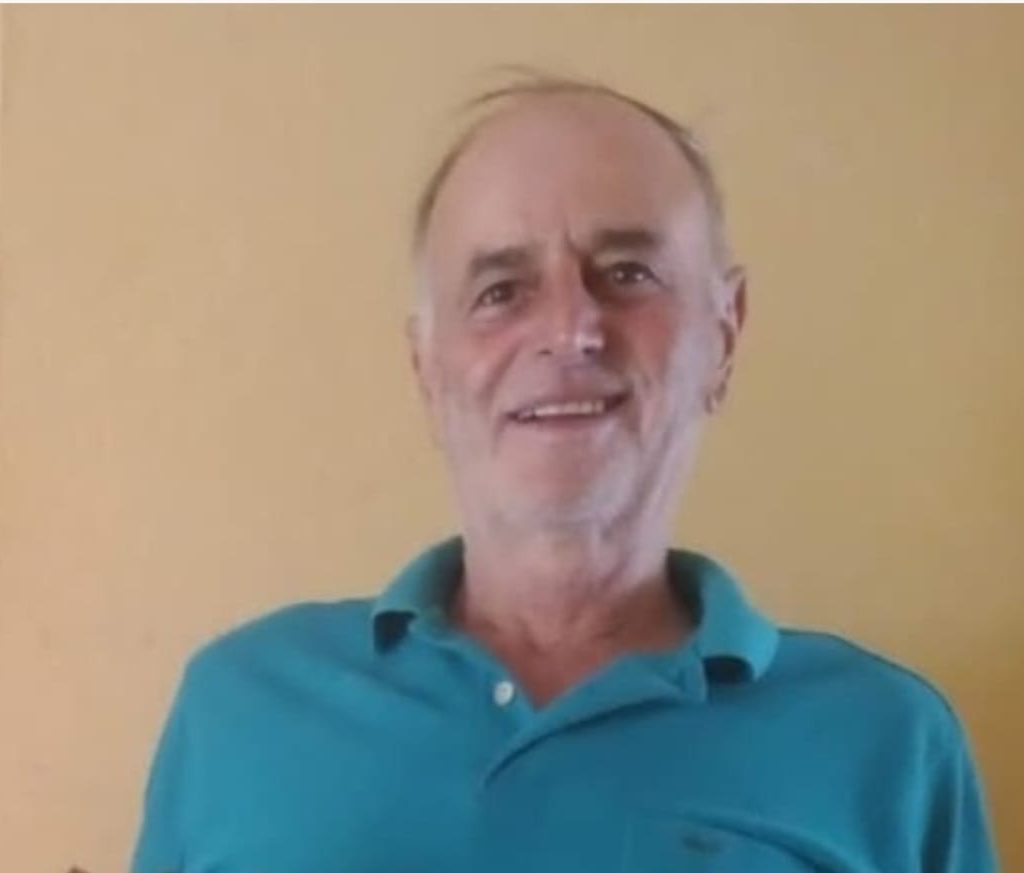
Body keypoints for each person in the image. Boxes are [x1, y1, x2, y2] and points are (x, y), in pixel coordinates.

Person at [131, 75, 997, 873]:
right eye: (502, 289)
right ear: (427, 366)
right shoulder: (237, 708)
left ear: (724, 336)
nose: (572, 329)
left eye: (627, 273)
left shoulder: (890, 745)